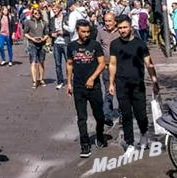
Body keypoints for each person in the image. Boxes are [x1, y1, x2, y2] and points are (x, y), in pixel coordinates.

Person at [109, 14, 160, 155]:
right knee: (125, 114)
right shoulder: (115, 44)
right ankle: (130, 143)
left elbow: (149, 64)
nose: (122, 30)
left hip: (137, 84)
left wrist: (154, 81)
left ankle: (144, 134)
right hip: (121, 84)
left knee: (141, 114)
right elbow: (112, 64)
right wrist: (111, 83)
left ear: (131, 27)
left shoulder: (140, 44)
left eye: (125, 27)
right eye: (119, 28)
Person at [67, 19, 106, 158]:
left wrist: (92, 78)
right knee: (81, 117)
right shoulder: (71, 46)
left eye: (88, 31)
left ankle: (100, 134)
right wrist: (69, 83)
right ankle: (85, 144)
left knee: (99, 116)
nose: (86, 34)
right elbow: (70, 64)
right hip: (78, 86)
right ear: (77, 31)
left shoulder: (95, 45)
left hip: (94, 86)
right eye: (83, 32)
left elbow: (102, 64)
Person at [96, 11, 119, 127]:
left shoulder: (120, 32)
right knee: (108, 92)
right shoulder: (101, 32)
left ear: (115, 21)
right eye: (106, 21)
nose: (108, 23)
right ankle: (107, 115)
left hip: (120, 67)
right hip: (106, 66)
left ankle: (123, 112)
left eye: (110, 21)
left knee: (121, 91)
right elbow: (97, 48)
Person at [23, 7, 49, 89]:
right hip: (32, 44)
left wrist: (43, 39)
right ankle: (34, 81)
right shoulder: (29, 22)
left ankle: (41, 79)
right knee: (33, 62)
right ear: (32, 14)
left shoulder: (44, 23)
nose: (37, 15)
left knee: (41, 62)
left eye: (38, 13)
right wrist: (32, 38)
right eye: (35, 13)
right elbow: (25, 33)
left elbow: (47, 33)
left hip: (42, 44)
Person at [50, 4, 67, 89]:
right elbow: (50, 30)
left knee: (69, 63)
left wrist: (63, 32)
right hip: (56, 43)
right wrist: (51, 34)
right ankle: (60, 81)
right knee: (57, 64)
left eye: (55, 9)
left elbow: (71, 29)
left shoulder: (66, 17)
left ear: (59, 9)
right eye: (53, 10)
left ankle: (72, 81)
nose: (54, 11)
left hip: (65, 43)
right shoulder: (52, 19)